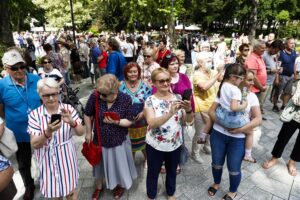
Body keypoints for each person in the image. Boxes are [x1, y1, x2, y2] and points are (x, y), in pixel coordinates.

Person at [207, 69, 262, 200]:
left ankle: (233, 191)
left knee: (234, 167)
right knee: (216, 163)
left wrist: (240, 129)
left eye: (252, 80)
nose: (251, 83)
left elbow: (258, 119)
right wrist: (223, 124)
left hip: (238, 139)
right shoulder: (225, 91)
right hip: (218, 134)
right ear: (240, 79)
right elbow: (211, 111)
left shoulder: (251, 97)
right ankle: (216, 183)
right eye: (249, 79)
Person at [28, 78, 84, 199]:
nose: (52, 98)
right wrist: (48, 132)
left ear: (58, 93)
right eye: (46, 95)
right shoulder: (34, 115)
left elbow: (80, 132)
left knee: (70, 192)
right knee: (55, 194)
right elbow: (35, 144)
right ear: (40, 95)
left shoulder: (68, 109)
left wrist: (73, 122)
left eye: (54, 94)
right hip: (46, 159)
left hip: (66, 158)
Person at [84, 74, 137, 200]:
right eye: (100, 94)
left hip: (118, 140)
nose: (101, 97)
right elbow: (87, 114)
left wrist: (117, 122)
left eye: (105, 95)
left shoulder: (125, 99)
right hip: (99, 139)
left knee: (118, 164)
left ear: (115, 91)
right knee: (99, 165)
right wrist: (88, 132)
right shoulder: (96, 96)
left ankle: (120, 185)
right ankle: (98, 187)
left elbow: (130, 121)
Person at [144, 67, 194, 200]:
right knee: (153, 172)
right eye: (161, 81)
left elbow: (188, 121)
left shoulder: (177, 97)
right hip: (155, 144)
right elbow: (152, 123)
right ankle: (151, 194)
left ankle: (171, 193)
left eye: (167, 80)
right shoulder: (150, 100)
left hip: (174, 143)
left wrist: (188, 110)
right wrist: (170, 112)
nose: (165, 84)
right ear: (154, 83)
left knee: (172, 171)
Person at [0, 48, 41, 200]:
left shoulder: (36, 80)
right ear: (6, 68)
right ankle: (29, 186)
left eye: (22, 66)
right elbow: (1, 109)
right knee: (24, 163)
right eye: (14, 68)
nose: (19, 70)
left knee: (44, 157)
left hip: (39, 130)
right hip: (18, 132)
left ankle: (46, 179)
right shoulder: (2, 86)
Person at [262, 80, 300, 177]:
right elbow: (296, 100)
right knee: (283, 137)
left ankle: (292, 162)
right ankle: (274, 158)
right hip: (294, 115)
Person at [119, 62, 152, 167]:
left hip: (142, 120)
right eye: (130, 72)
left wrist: (143, 113)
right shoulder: (121, 85)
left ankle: (147, 159)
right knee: (129, 142)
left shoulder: (145, 84)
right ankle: (130, 160)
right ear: (126, 73)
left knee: (144, 142)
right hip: (127, 121)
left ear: (138, 72)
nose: (133, 74)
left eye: (135, 71)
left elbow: (150, 101)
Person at [192, 52, 223, 163]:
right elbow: (204, 87)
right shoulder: (197, 75)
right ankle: (195, 152)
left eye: (211, 60)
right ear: (200, 63)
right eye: (208, 60)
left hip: (213, 107)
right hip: (202, 108)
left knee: (210, 130)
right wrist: (217, 74)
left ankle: (206, 146)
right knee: (201, 132)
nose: (211, 62)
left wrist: (223, 69)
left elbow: (221, 79)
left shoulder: (212, 72)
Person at [244, 40, 267, 117]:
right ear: (255, 48)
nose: (264, 49)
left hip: (258, 89)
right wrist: (261, 87)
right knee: (250, 110)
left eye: (265, 48)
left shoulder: (259, 57)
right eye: (261, 48)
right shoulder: (252, 58)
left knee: (255, 109)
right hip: (253, 89)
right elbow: (253, 76)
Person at [276, 38, 298, 110]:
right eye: (291, 43)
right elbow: (277, 66)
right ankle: (275, 105)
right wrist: (277, 77)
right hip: (282, 76)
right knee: (278, 91)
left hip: (290, 76)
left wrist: (294, 75)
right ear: (286, 44)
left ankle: (284, 105)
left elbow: (294, 64)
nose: (293, 45)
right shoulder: (281, 53)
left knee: (288, 92)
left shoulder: (294, 53)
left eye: (294, 43)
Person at [262, 40, 283, 112]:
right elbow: (260, 71)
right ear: (271, 47)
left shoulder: (274, 55)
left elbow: (275, 66)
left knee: (263, 99)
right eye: (276, 51)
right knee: (260, 99)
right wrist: (271, 71)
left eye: (278, 51)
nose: (276, 53)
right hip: (264, 82)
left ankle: (260, 110)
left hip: (270, 82)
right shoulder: (264, 55)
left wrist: (277, 72)